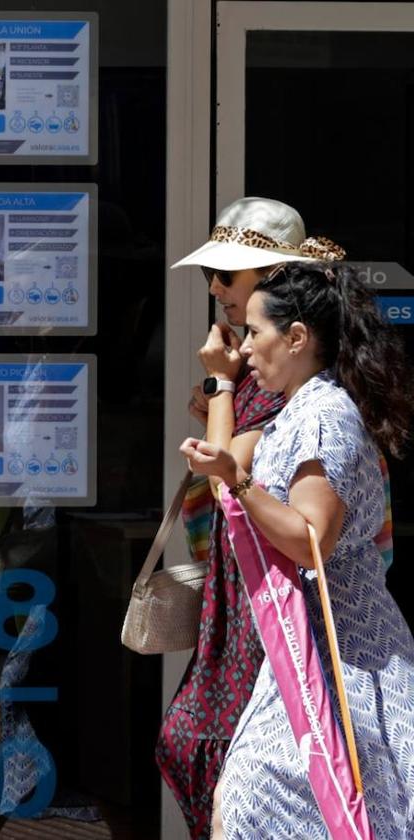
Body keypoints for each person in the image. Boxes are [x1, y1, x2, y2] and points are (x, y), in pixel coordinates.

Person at [180, 262, 414, 837]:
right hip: (305, 649)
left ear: (297, 337)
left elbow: (312, 539)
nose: (248, 348)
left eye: (257, 333)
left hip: (345, 663)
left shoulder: (324, 415)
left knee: (253, 802)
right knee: (254, 806)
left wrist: (238, 482)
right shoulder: (300, 409)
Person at [157, 198, 346, 839]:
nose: (214, 288)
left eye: (228, 276)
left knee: (212, 746)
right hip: (246, 580)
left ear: (270, 278)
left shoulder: (300, 378)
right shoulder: (262, 364)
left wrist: (219, 387)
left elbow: (227, 476)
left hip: (278, 590)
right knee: (200, 746)